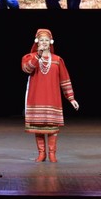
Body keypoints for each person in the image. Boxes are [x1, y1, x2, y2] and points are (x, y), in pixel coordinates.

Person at [21, 29, 79, 162]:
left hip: (52, 98)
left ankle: (52, 153)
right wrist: (38, 56)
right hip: (36, 97)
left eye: (47, 40)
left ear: (50, 42)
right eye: (41, 40)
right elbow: (27, 69)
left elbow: (64, 79)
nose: (44, 42)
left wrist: (71, 98)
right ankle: (42, 153)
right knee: (38, 126)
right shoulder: (29, 57)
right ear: (37, 42)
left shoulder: (58, 60)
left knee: (52, 127)